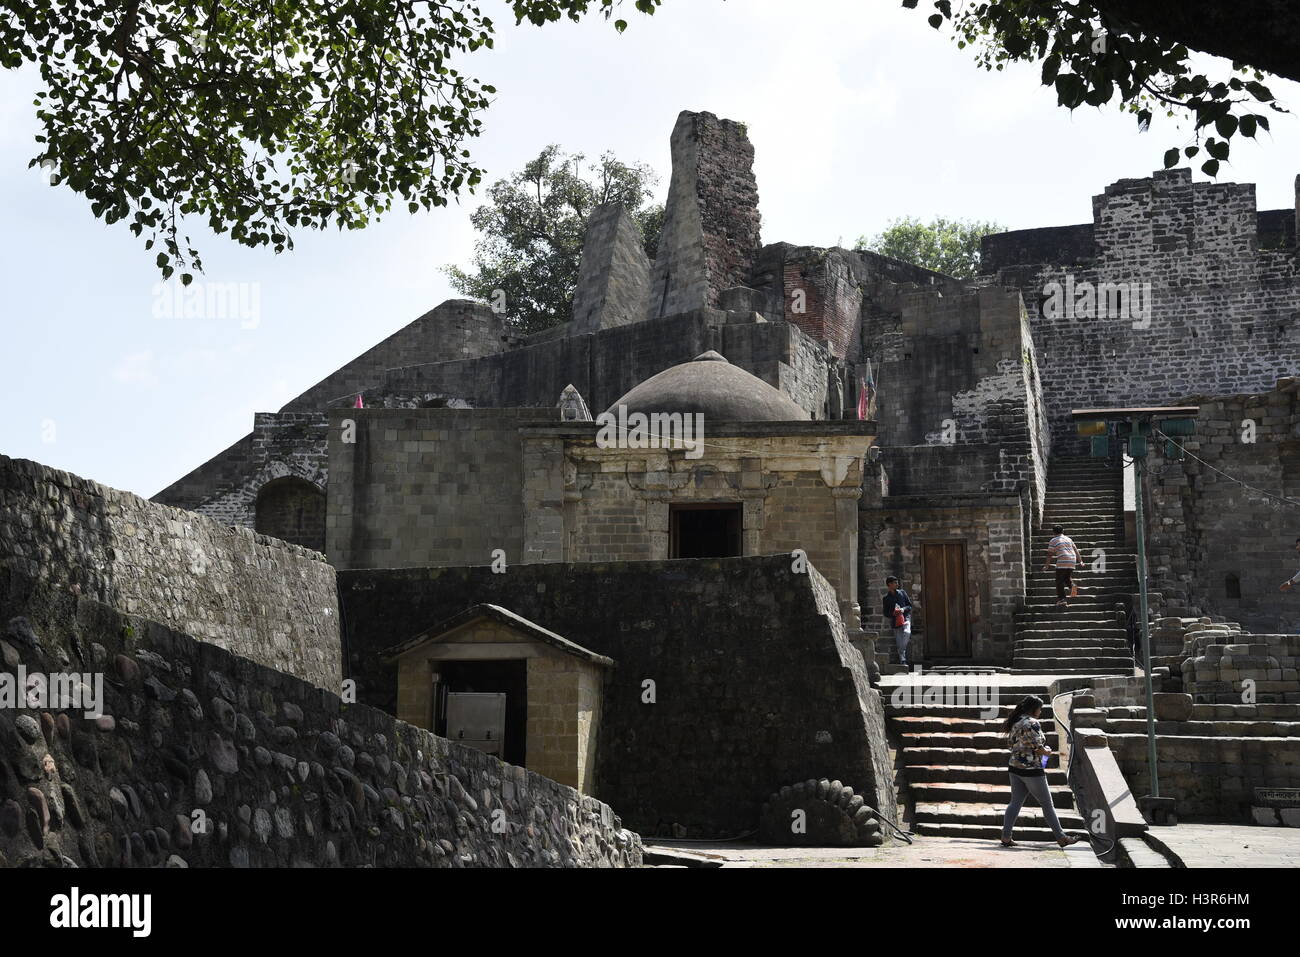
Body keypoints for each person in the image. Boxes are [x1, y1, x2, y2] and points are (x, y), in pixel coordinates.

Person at [999, 695, 1080, 848]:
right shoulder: (1032, 723)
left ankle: (1005, 837)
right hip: (1031, 770)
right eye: (1040, 709)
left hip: (1015, 767)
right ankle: (1061, 838)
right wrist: (1047, 752)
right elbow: (1039, 748)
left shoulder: (1015, 720)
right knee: (1047, 804)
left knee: (1015, 803)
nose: (1041, 712)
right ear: (1034, 709)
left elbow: (1011, 744)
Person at [1045, 524, 1081, 608]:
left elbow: (1049, 554)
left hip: (1063, 561)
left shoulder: (1053, 540)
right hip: (1072, 560)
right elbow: (1076, 550)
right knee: (1066, 577)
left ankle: (1062, 599)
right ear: (1063, 531)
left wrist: (1046, 565)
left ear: (1053, 532)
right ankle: (1073, 588)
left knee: (1059, 581)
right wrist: (1080, 561)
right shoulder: (1069, 539)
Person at [882, 576, 914, 668]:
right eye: (895, 583)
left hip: (906, 618)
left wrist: (902, 610)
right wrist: (893, 613)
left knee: (907, 633)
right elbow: (886, 613)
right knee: (899, 641)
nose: (897, 584)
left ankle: (901, 651)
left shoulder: (902, 593)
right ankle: (902, 660)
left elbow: (909, 606)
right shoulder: (886, 598)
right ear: (889, 584)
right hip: (895, 622)